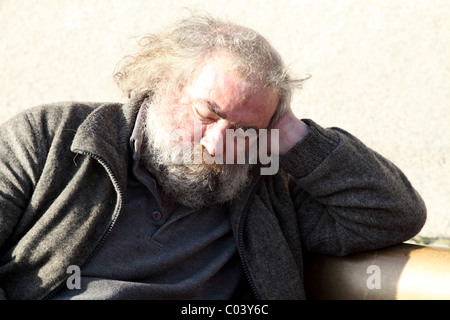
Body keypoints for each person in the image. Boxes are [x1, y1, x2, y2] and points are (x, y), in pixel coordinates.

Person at [0, 14, 426, 300]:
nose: (220, 145)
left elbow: (392, 214)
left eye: (244, 130)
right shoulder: (48, 136)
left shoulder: (263, 186)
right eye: (208, 113)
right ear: (162, 83)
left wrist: (296, 135)